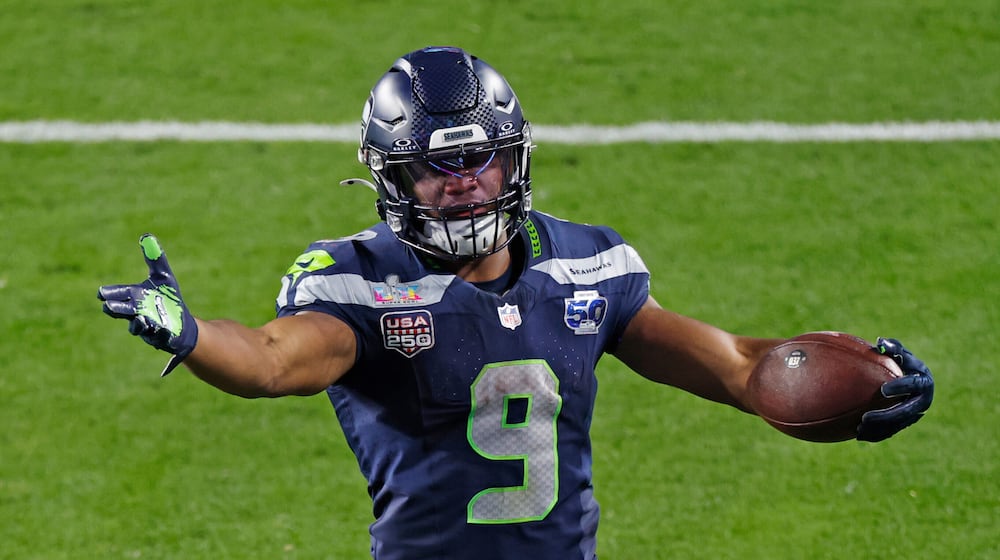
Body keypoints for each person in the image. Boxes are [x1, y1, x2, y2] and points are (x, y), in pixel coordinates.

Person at [98, 46, 934, 559]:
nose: (463, 188)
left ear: (515, 162)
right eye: (437, 170)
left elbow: (745, 368)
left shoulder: (588, 267)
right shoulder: (360, 283)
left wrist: (865, 385)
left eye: (481, 164)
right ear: (396, 180)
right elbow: (271, 362)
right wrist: (194, 333)